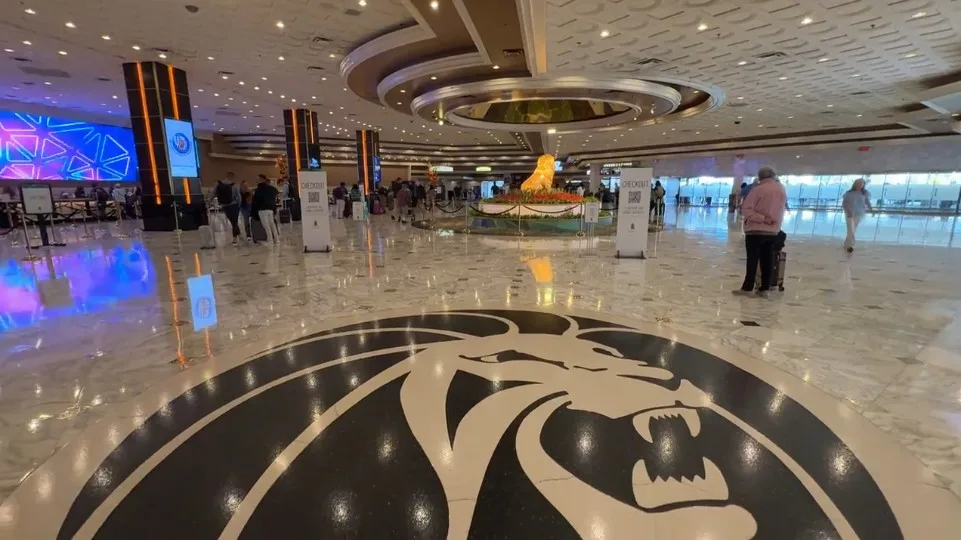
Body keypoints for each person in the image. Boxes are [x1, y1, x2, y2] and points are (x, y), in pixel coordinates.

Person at [733, 167, 787, 298]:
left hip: (755, 230)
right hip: (773, 231)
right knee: (767, 259)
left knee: (752, 259)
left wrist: (762, 219)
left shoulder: (758, 189)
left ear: (760, 177)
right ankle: (764, 289)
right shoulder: (781, 190)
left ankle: (747, 288)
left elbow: (747, 209)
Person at [842, 178, 873, 253]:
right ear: (855, 184)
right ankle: (850, 245)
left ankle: (847, 243)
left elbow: (867, 201)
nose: (860, 185)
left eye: (861, 184)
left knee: (852, 229)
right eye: (858, 183)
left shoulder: (864, 193)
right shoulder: (849, 193)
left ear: (863, 185)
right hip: (849, 213)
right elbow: (844, 203)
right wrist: (848, 211)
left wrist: (871, 209)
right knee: (850, 229)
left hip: (859, 213)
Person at [250, 174, 280, 244]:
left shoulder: (258, 190)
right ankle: (277, 239)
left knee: (266, 225)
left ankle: (270, 240)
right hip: (271, 209)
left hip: (262, 210)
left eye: (258, 179)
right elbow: (276, 198)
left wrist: (253, 212)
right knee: (272, 224)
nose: (256, 180)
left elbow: (255, 202)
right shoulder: (272, 188)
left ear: (262, 179)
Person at [215, 172, 243, 245]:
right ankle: (235, 239)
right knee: (234, 222)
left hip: (224, 206)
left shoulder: (219, 183)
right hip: (233, 205)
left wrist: (209, 201)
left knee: (233, 221)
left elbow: (213, 193)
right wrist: (239, 205)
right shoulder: (234, 185)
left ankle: (239, 235)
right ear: (232, 177)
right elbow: (239, 196)